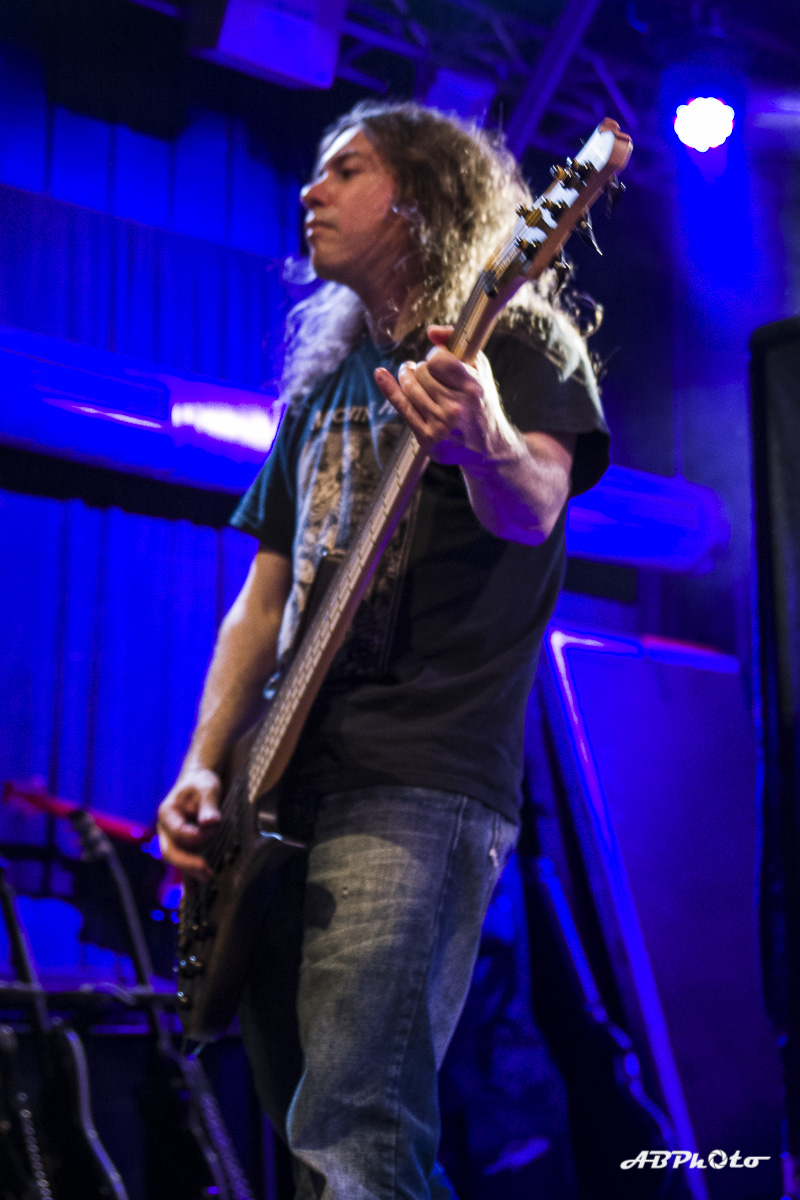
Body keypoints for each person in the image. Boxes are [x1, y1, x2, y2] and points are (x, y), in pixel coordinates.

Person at [157, 100, 609, 1200]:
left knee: (356, 1129)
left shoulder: (519, 342)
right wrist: (203, 764)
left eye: (345, 170)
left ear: (420, 198)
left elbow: (533, 507)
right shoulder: (324, 387)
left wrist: (484, 440)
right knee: (308, 1146)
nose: (310, 191)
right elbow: (262, 599)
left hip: (417, 774)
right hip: (277, 784)